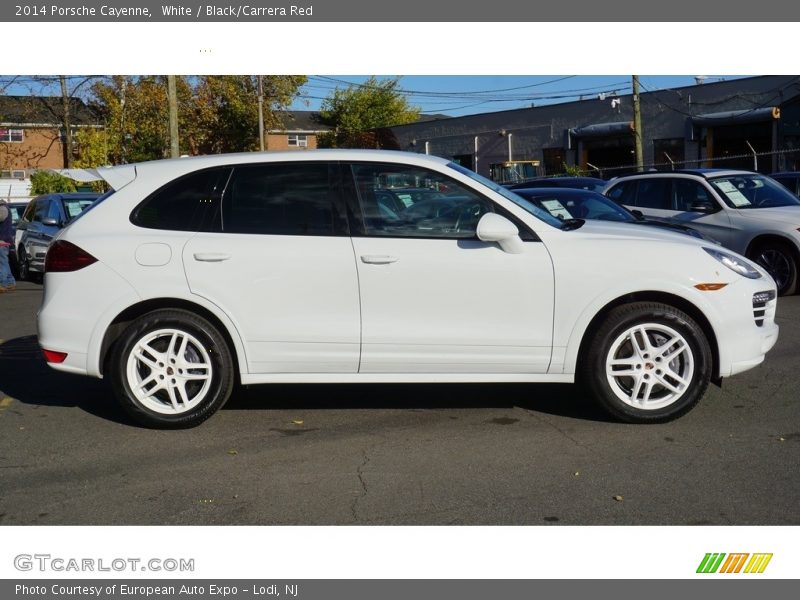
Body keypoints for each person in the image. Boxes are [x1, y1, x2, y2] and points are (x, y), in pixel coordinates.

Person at [0, 198, 16, 293]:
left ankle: (2, 283)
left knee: (2, 263)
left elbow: (1, 217)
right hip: (4, 240)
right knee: (4, 262)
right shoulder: (4, 207)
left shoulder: (2, 208)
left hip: (2, 240)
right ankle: (10, 282)